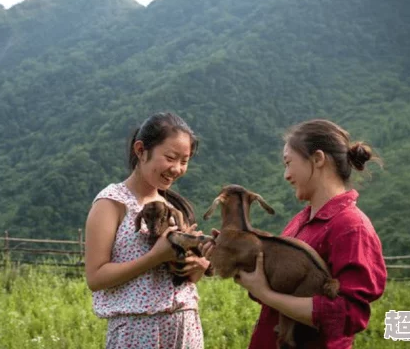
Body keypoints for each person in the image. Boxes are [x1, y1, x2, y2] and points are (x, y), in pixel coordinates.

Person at [202, 118, 387, 349]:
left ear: (318, 159)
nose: (286, 175)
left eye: (289, 163)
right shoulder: (300, 221)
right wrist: (230, 255)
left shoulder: (352, 227)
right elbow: (275, 286)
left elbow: (348, 315)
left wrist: (267, 295)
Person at [85, 112, 211, 349]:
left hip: (185, 327)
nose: (177, 169)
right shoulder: (111, 203)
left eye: (184, 161)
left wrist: (198, 266)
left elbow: (184, 279)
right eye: (170, 157)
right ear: (141, 150)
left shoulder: (173, 209)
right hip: (137, 332)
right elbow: (95, 278)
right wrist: (155, 257)